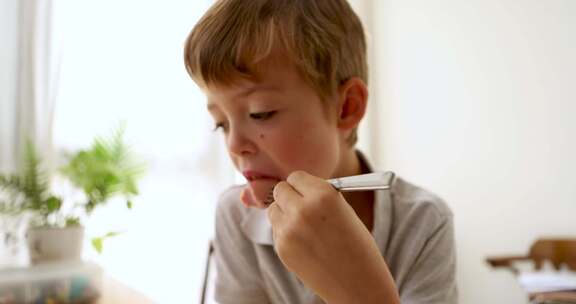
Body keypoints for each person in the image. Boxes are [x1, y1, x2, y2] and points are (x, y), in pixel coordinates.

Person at [184, 0, 457, 303]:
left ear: (346, 107)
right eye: (220, 124)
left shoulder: (423, 222)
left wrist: (360, 291)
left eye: (261, 113)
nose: (234, 146)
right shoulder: (236, 215)